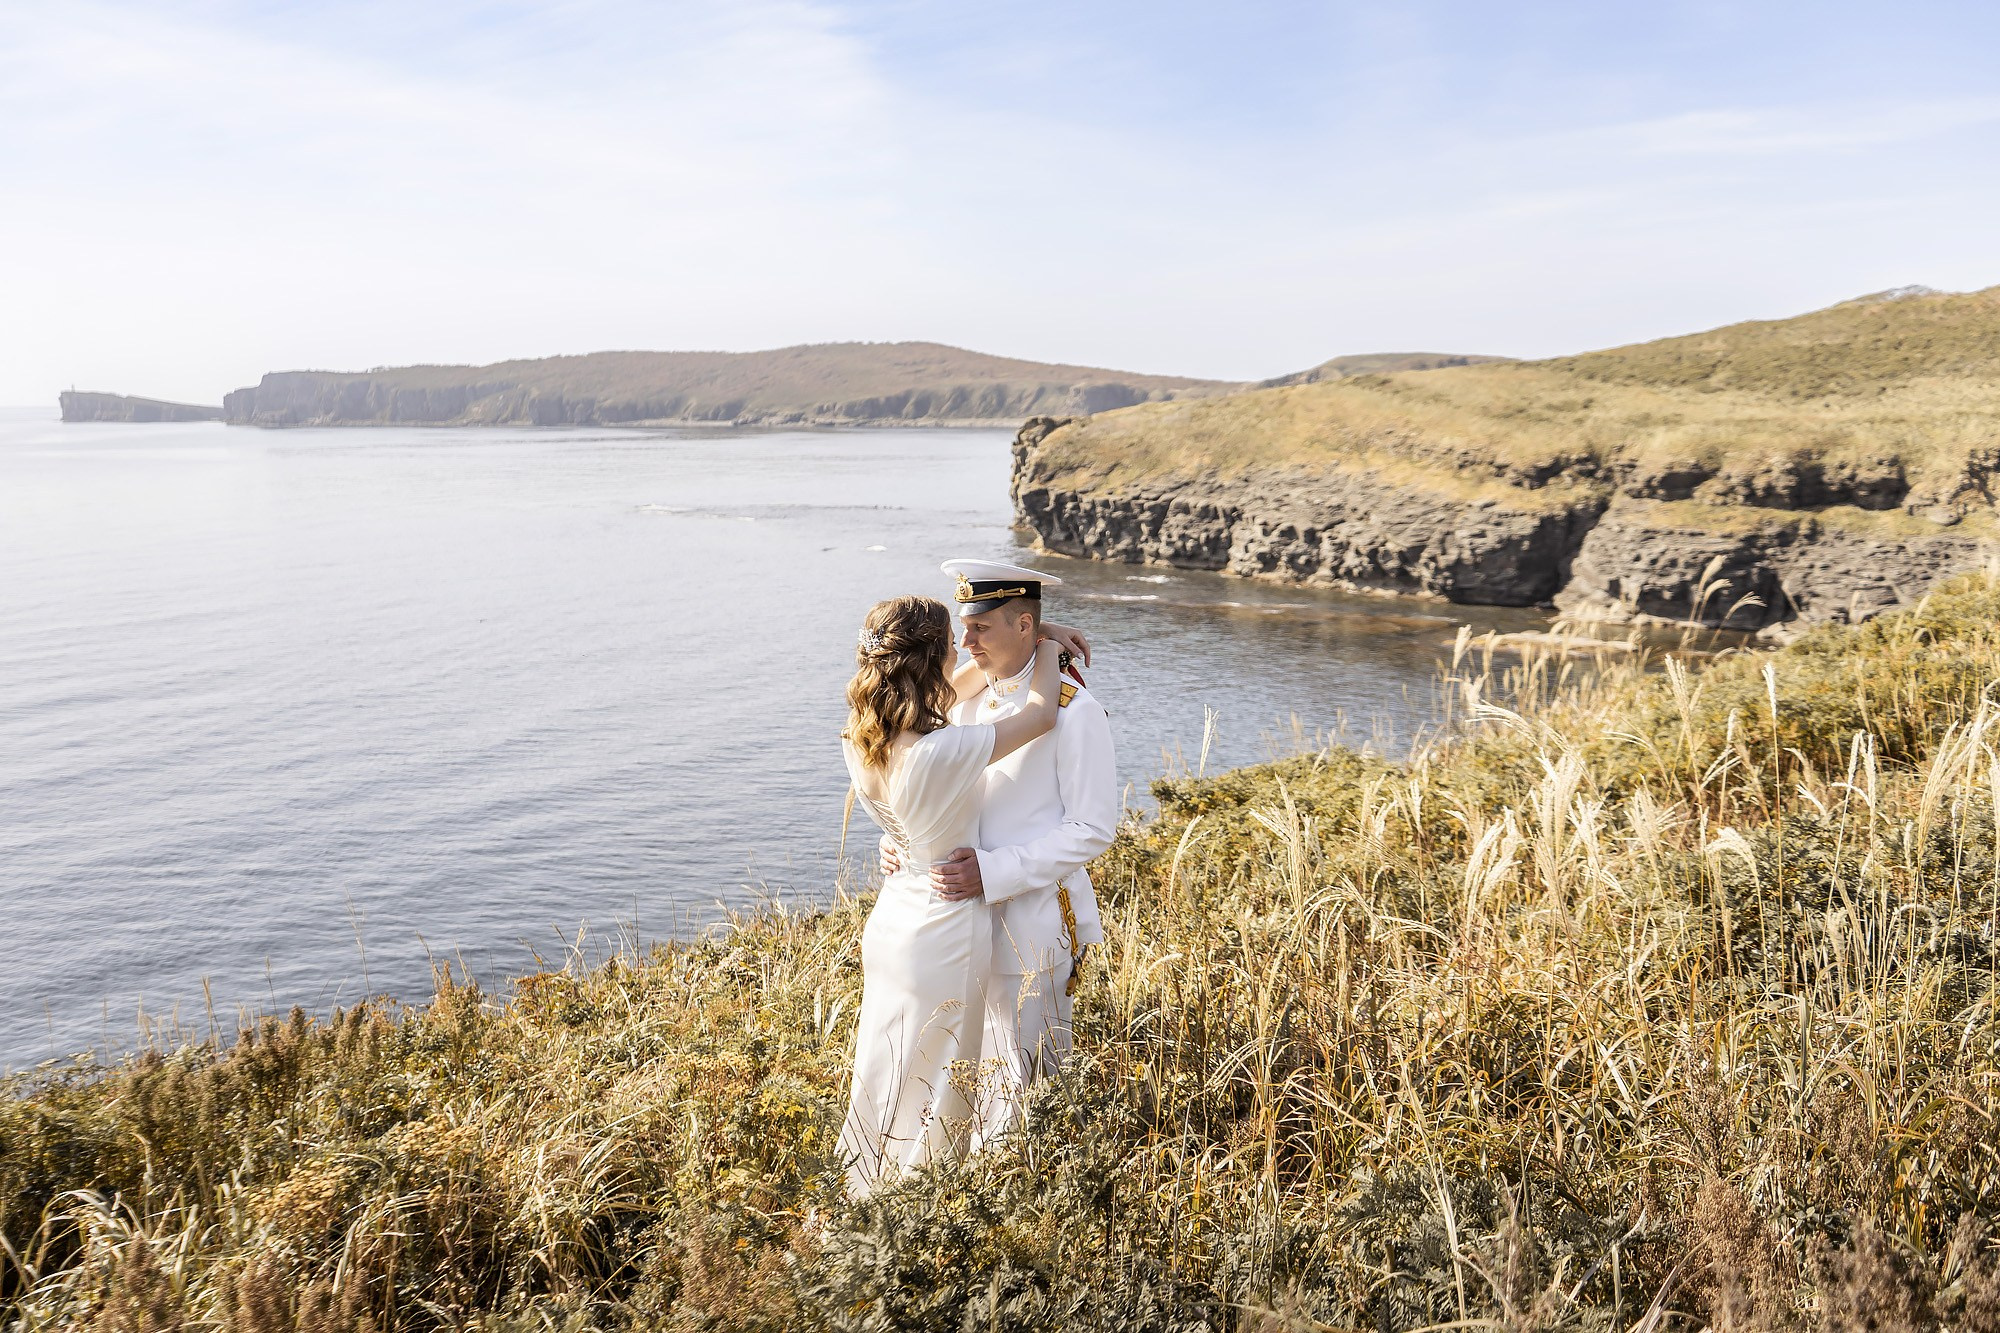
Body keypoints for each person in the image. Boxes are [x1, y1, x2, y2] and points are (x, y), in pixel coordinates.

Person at [835, 593, 1069, 1195]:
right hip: (944, 926)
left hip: (893, 919)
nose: (961, 652)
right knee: (940, 1076)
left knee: (886, 1064)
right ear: (931, 660)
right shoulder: (942, 752)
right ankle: (921, 1208)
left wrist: (1034, 634)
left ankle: (867, 1191)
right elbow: (1042, 714)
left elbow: (956, 690)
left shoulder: (863, 738)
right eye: (950, 647)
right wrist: (1041, 644)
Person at [880, 559, 1117, 1144]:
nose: (965, 642)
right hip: (956, 929)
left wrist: (992, 873)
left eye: (981, 627)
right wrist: (900, 839)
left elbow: (1092, 828)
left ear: (1021, 624)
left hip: (1030, 924)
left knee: (1026, 1085)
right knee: (961, 1077)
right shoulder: (960, 703)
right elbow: (922, 783)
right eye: (963, 627)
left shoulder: (1074, 712)